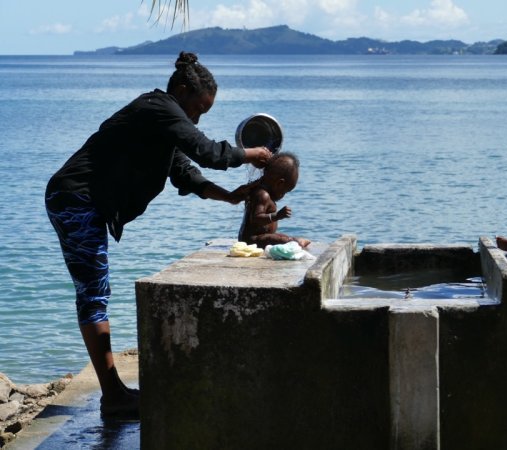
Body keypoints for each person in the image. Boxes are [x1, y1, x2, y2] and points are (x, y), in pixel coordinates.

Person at [45, 51, 273, 417]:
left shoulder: (161, 128)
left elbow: (184, 172)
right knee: (93, 294)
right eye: (197, 109)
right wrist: (249, 154)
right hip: (74, 198)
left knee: (96, 292)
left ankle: (114, 392)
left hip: (80, 201)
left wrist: (228, 197)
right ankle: (114, 397)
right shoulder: (157, 107)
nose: (196, 118)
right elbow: (206, 151)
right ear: (180, 91)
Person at [238, 152, 311, 249]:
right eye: (284, 191)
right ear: (279, 184)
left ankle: (295, 241)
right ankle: (297, 243)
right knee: (282, 240)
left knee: (281, 237)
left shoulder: (263, 193)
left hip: (259, 238)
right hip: (252, 240)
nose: (283, 196)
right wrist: (277, 216)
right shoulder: (262, 195)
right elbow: (256, 218)